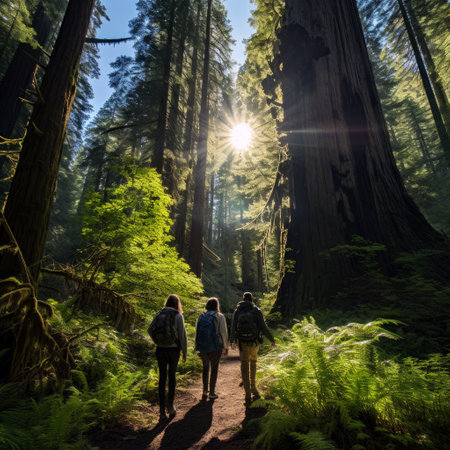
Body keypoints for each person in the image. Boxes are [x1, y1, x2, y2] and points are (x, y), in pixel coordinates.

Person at [231, 292, 275, 406]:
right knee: (253, 363)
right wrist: (271, 339)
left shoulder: (237, 311)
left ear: (243, 299)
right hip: (254, 342)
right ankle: (254, 388)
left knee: (244, 365)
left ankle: (247, 394)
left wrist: (232, 341)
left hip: (242, 342)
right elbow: (263, 327)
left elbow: (233, 326)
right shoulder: (256, 310)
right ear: (251, 299)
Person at [148, 294, 187, 419]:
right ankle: (170, 407)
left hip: (160, 349)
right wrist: (184, 353)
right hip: (173, 350)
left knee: (162, 377)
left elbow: (150, 329)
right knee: (171, 376)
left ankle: (161, 411)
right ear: (177, 304)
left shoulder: (159, 314)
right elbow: (182, 336)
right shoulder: (178, 315)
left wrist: (158, 341)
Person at [195, 297, 229, 400]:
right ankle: (212, 392)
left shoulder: (201, 316)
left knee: (205, 368)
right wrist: (225, 346)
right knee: (214, 369)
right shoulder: (220, 316)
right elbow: (223, 332)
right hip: (215, 347)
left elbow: (197, 332)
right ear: (216, 306)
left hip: (203, 347)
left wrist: (197, 346)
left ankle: (205, 391)